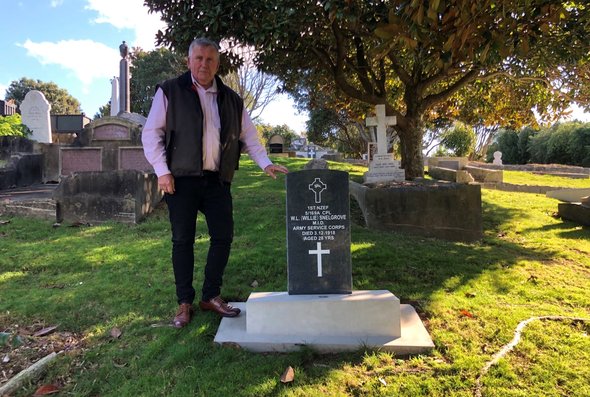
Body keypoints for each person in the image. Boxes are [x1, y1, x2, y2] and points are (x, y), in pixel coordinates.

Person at [142, 37, 288, 328]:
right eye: (198, 58)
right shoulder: (170, 91)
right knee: (182, 240)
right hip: (181, 180)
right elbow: (151, 134)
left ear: (217, 64)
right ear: (188, 61)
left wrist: (266, 163)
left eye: (210, 59)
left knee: (223, 236)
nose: (203, 64)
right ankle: (184, 302)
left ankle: (210, 295)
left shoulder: (231, 99)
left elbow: (250, 137)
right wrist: (162, 171)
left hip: (217, 180)